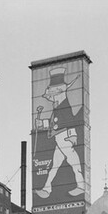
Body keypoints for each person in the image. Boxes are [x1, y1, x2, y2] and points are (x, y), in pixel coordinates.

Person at [34, 66, 86, 200]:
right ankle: (47, 188)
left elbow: (70, 122)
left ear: (58, 92)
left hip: (64, 138)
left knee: (73, 162)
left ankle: (80, 186)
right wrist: (42, 123)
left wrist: (73, 136)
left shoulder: (64, 106)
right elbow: (54, 123)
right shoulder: (57, 106)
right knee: (56, 165)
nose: (50, 98)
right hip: (59, 138)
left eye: (51, 96)